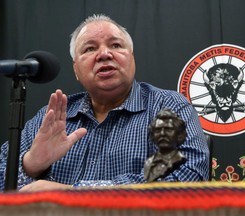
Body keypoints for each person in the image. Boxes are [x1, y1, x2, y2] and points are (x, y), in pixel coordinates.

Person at [0, 14, 209, 192]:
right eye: (90, 49)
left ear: (132, 58)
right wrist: (30, 165)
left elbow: (187, 177)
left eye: (116, 45)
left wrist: (75, 194)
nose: (104, 54)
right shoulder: (51, 118)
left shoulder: (167, 107)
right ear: (76, 70)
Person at [144, 108, 187, 182]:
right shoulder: (149, 163)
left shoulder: (180, 162)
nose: (162, 134)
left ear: (179, 134)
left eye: (168, 129)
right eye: (158, 130)